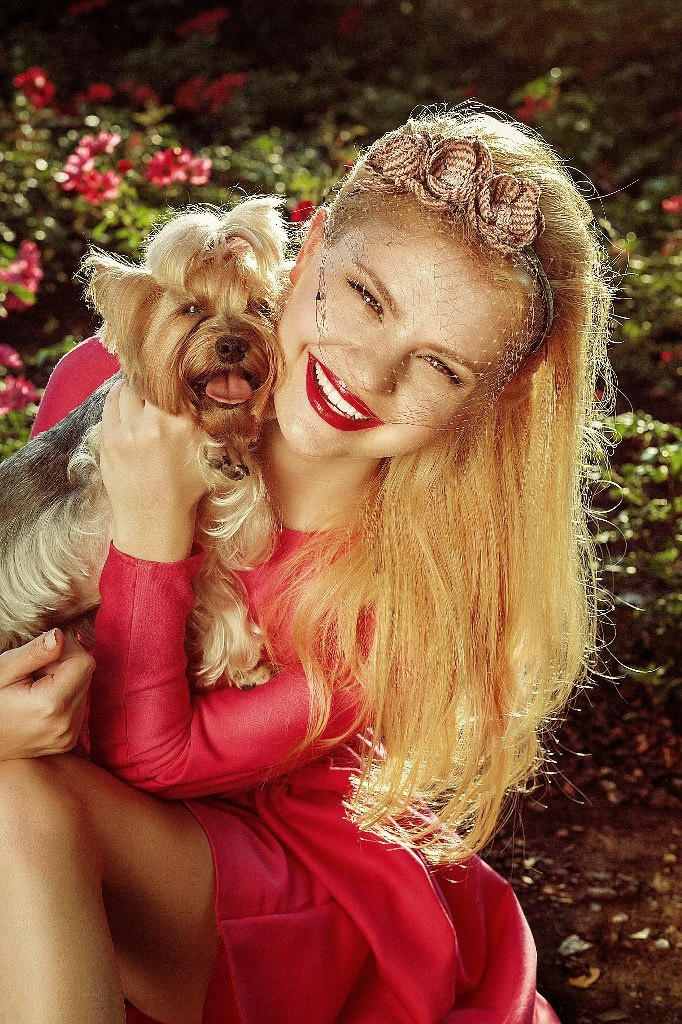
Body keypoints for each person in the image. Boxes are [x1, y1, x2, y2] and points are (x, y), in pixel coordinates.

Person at [0, 106, 613, 1024]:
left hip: (282, 901)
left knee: (17, 795)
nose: (368, 370)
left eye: (439, 367)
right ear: (312, 236)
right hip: (82, 828)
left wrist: (152, 529)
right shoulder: (117, 374)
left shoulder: (405, 594)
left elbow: (149, 759)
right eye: (364, 297)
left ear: (491, 398)